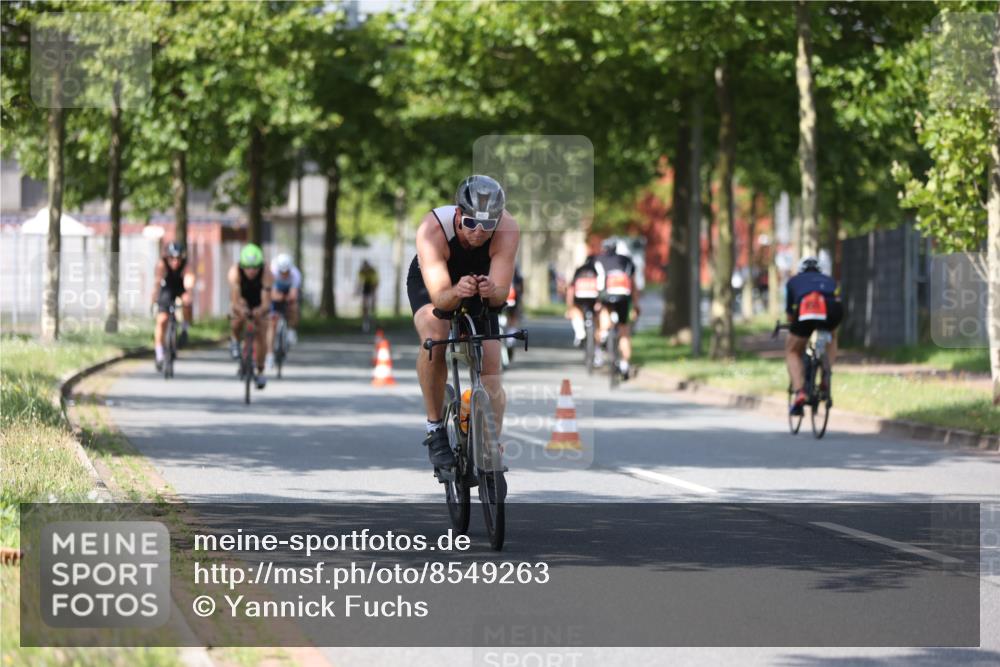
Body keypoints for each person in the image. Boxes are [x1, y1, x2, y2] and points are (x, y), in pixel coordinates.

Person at [406, 175, 519, 470]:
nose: (479, 233)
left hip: (480, 279)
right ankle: (435, 428)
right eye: (470, 224)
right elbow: (442, 298)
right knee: (435, 335)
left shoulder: (507, 229)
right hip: (436, 282)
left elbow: (499, 296)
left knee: (491, 360)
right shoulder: (432, 230)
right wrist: (456, 291)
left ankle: (489, 444)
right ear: (458, 214)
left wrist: (490, 291)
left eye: (487, 225)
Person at [785, 256, 843, 415]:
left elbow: (790, 315)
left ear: (800, 270)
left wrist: (795, 329)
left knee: (792, 351)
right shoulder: (830, 280)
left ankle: (800, 393)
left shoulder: (793, 282)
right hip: (832, 310)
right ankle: (826, 373)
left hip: (807, 307)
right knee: (832, 335)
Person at [228, 243, 273, 389]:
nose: (252, 271)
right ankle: (235, 340)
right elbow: (235, 301)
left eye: (255, 267)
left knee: (261, 331)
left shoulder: (267, 273)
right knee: (236, 320)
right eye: (248, 267)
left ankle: (260, 370)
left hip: (259, 299)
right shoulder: (235, 272)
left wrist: (259, 311)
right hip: (242, 299)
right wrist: (243, 311)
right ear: (242, 266)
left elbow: (266, 302)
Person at [594, 238, 639, 378]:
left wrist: (596, 302)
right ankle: (625, 365)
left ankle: (603, 336)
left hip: (606, 296)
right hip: (623, 297)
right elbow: (633, 285)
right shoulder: (627, 261)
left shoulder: (598, 260)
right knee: (624, 332)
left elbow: (596, 283)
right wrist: (636, 304)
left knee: (604, 318)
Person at [151, 241, 195, 371]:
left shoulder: (186, 265)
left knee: (187, 302)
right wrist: (154, 299)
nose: (175, 261)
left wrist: (188, 292)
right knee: (162, 320)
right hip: (166, 289)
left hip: (180, 288)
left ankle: (185, 329)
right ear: (168, 257)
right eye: (172, 258)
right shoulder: (162, 264)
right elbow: (157, 283)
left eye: (178, 258)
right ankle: (159, 354)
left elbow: (189, 280)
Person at [267, 253, 301, 370]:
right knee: (272, 323)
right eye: (282, 272)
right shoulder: (273, 273)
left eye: (286, 272)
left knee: (294, 307)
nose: (284, 274)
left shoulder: (295, 274)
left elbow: (293, 294)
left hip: (288, 291)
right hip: (276, 291)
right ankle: (270, 355)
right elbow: (271, 294)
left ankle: (291, 330)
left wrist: (287, 298)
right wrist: (276, 296)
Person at [566, 254, 600, 348]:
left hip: (579, 297)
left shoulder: (580, 270)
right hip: (595, 298)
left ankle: (580, 334)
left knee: (576, 310)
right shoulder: (599, 271)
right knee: (599, 315)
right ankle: (601, 338)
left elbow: (571, 288)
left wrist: (570, 307)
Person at [358, 260, 379, 332]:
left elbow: (375, 283)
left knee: (372, 306)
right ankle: (365, 322)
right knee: (364, 306)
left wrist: (373, 294)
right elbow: (360, 283)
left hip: (372, 288)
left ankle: (373, 321)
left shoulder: (372, 271)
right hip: (365, 289)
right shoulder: (361, 272)